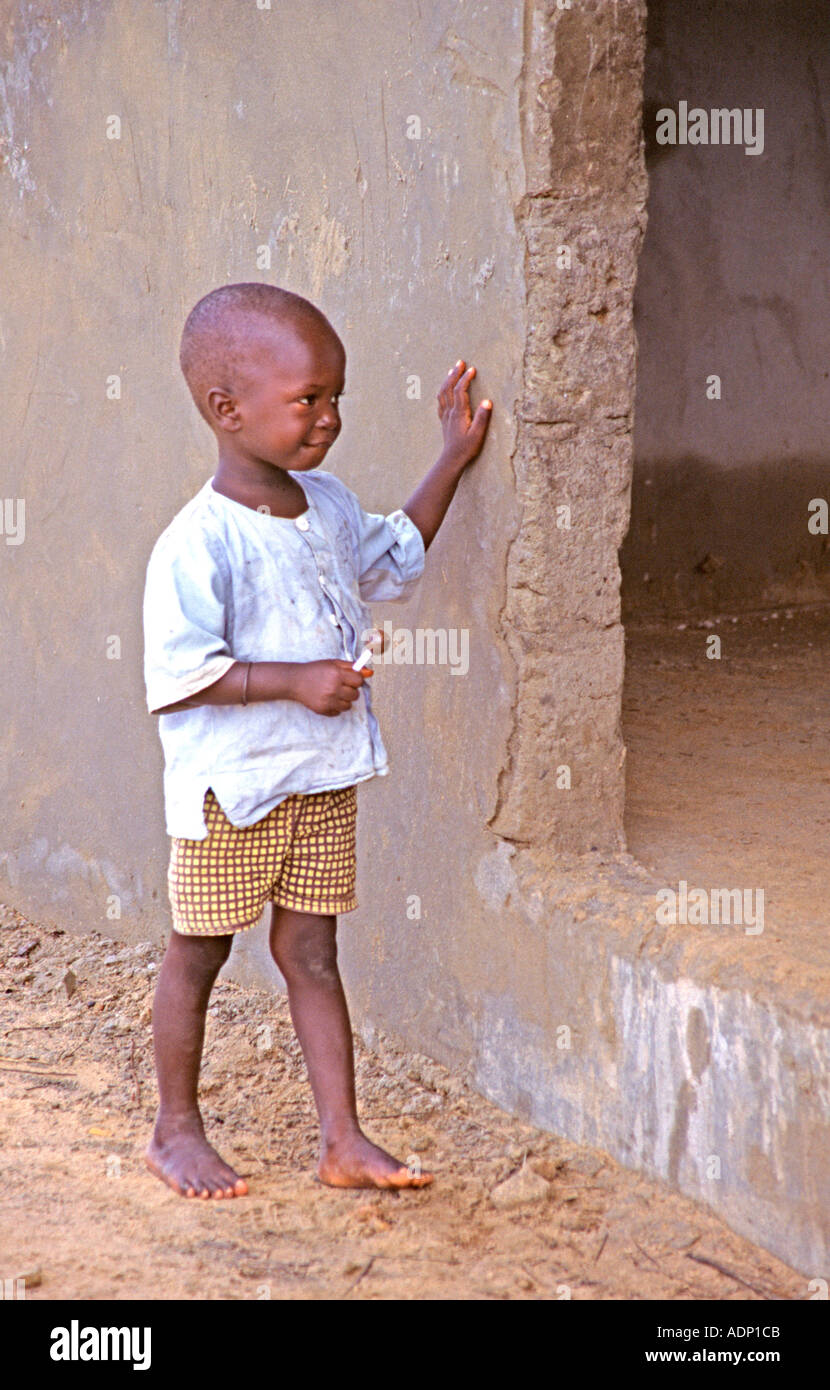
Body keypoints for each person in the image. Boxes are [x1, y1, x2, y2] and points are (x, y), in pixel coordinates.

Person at [142, 282, 491, 1198]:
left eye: (337, 396)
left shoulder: (326, 504)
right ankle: (175, 1129)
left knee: (310, 954)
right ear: (228, 409)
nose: (329, 419)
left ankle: (343, 1139)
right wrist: (295, 680)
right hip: (235, 792)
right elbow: (178, 677)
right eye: (308, 401)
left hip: (321, 780)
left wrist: (450, 461)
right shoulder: (196, 544)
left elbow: (393, 556)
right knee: (199, 951)